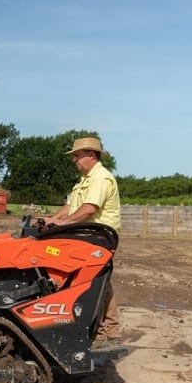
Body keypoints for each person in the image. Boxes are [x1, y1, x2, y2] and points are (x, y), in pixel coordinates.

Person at [45, 136, 122, 350]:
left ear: (91, 155)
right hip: (86, 237)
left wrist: (61, 224)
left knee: (95, 284)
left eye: (77, 156)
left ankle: (106, 334)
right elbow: (71, 206)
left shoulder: (100, 178)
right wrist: (52, 220)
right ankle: (105, 331)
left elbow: (89, 209)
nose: (74, 160)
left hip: (98, 239)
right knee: (97, 282)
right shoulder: (84, 180)